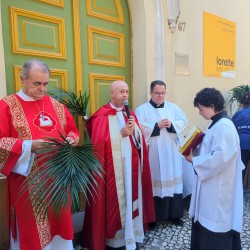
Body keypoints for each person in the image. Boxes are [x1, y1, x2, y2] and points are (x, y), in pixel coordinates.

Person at [0, 59, 80, 250]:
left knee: (59, 227)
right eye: (37, 84)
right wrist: (28, 146)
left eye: (45, 83)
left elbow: (73, 131)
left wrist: (71, 140)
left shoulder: (57, 106)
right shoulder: (6, 106)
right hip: (27, 185)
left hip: (57, 182)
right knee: (32, 234)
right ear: (22, 79)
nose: (42, 89)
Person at [82, 80, 155, 250]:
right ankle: (116, 239)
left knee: (132, 196)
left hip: (131, 166)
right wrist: (120, 134)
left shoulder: (128, 113)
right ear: (112, 93)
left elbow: (139, 140)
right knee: (116, 200)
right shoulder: (101, 116)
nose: (125, 95)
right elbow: (98, 145)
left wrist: (134, 130)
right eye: (121, 92)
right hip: (113, 170)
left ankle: (132, 233)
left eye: (127, 92)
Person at [184, 88, 244, 250]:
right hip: (211, 182)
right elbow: (211, 150)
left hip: (219, 187)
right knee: (206, 218)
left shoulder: (225, 127)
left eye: (201, 108)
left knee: (215, 222)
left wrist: (194, 160)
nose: (200, 112)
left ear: (211, 105)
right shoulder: (216, 124)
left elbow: (220, 157)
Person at [135, 80, 188, 226]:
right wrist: (155, 126)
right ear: (151, 92)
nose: (160, 96)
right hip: (153, 155)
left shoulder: (174, 108)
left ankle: (175, 215)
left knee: (173, 182)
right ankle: (153, 218)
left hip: (171, 153)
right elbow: (137, 128)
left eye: (163, 93)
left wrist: (172, 125)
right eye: (157, 93)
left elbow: (183, 121)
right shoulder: (141, 110)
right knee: (155, 184)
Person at [232, 91, 250, 181]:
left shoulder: (238, 114)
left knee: (242, 167)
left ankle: (240, 188)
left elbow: (232, 129)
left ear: (242, 104)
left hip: (241, 144)